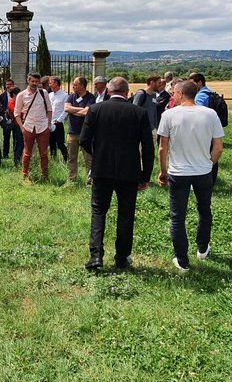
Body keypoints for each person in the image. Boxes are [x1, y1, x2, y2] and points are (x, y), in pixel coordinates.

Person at [80, 76, 155, 271]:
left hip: (102, 169)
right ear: (127, 92)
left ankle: (96, 255)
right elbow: (148, 147)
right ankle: (122, 257)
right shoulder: (139, 112)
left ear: (109, 90)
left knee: (98, 211)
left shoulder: (95, 109)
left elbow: (84, 140)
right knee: (126, 214)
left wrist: (98, 156)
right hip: (129, 171)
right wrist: (145, 176)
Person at [159, 80, 225, 270]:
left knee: (177, 216)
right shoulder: (210, 114)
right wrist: (209, 163)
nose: (172, 95)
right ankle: (202, 248)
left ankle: (182, 260)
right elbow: (218, 147)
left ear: (180, 94)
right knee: (204, 210)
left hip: (178, 172)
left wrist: (163, 171)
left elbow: (163, 147)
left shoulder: (169, 114)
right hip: (203, 171)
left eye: (174, 92)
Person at [16, 71, 52, 183]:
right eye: (32, 81)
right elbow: (16, 113)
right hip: (28, 127)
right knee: (27, 153)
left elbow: (49, 109)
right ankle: (25, 175)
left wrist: (48, 125)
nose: (34, 83)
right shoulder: (21, 95)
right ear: (28, 81)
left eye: (36, 81)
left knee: (44, 153)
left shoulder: (43, 93)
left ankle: (44, 176)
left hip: (43, 127)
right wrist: (22, 128)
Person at [64, 76, 95, 185]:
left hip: (86, 134)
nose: (73, 86)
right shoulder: (71, 96)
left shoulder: (91, 98)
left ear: (82, 86)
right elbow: (66, 108)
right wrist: (81, 110)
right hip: (72, 133)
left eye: (75, 84)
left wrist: (73, 111)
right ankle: (72, 180)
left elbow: (87, 112)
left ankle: (90, 181)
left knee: (88, 159)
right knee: (71, 158)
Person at [132, 74, 162, 143]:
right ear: (152, 82)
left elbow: (154, 111)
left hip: (152, 129)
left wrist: (155, 127)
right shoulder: (141, 94)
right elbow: (134, 111)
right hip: (141, 129)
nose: (160, 85)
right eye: (159, 82)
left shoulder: (154, 95)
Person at [48, 76, 69, 163]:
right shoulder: (50, 95)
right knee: (51, 143)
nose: (49, 85)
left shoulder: (64, 95)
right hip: (49, 122)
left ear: (56, 83)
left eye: (50, 83)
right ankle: (53, 160)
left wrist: (59, 120)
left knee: (60, 143)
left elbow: (66, 109)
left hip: (58, 123)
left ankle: (66, 159)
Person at [0, 78, 17, 158]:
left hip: (15, 119)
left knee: (16, 137)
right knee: (6, 137)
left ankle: (16, 153)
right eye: (7, 85)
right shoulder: (2, 96)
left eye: (10, 84)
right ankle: (5, 154)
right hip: (6, 120)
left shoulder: (17, 95)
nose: (8, 86)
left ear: (13, 85)